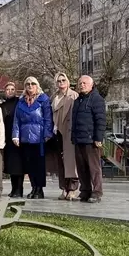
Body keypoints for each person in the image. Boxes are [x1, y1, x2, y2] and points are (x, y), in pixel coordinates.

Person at [12, 76, 53, 199]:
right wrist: (15, 136)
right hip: (25, 137)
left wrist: (47, 134)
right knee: (29, 165)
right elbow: (16, 120)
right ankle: (33, 187)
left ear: (37, 86)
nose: (30, 86)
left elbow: (48, 118)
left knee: (39, 165)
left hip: (39, 137)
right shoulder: (21, 101)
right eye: (28, 84)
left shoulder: (43, 100)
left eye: (33, 84)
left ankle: (39, 189)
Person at [72, 75, 107, 204]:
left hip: (91, 140)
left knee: (94, 168)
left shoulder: (97, 100)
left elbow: (101, 120)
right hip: (78, 140)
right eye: (80, 83)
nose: (81, 85)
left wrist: (98, 138)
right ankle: (85, 191)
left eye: (84, 83)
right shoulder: (77, 101)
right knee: (81, 168)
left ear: (92, 85)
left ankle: (97, 192)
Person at [47, 72, 80, 200]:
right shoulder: (54, 97)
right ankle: (64, 188)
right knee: (60, 162)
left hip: (69, 131)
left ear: (67, 81)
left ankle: (72, 188)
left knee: (71, 161)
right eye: (59, 81)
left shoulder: (73, 95)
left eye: (63, 80)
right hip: (57, 132)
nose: (61, 83)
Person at [0, 81, 25, 198]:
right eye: (7, 90)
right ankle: (13, 188)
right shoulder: (2, 106)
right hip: (7, 139)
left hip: (18, 138)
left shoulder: (20, 103)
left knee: (18, 166)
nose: (9, 92)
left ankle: (19, 189)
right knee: (10, 165)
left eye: (12, 89)